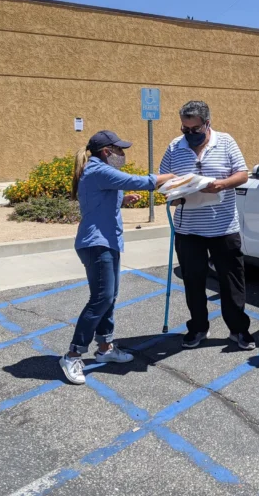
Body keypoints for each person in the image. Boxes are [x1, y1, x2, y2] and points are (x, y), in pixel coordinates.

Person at [59, 130, 176, 385]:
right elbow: (140, 181)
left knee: (108, 298)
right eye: (119, 150)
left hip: (107, 243)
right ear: (106, 152)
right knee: (100, 299)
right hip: (96, 244)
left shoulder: (97, 170)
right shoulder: (98, 169)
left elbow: (102, 197)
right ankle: (72, 354)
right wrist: (175, 176)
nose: (122, 154)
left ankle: (105, 349)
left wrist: (124, 200)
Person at [159, 101, 254, 350]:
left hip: (223, 227)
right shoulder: (174, 147)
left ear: (207, 123)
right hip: (188, 228)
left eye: (195, 129)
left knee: (232, 280)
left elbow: (242, 174)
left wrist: (222, 184)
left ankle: (239, 330)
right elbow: (163, 180)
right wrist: (173, 193)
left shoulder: (226, 141)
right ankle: (198, 328)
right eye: (185, 129)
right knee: (193, 281)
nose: (190, 134)